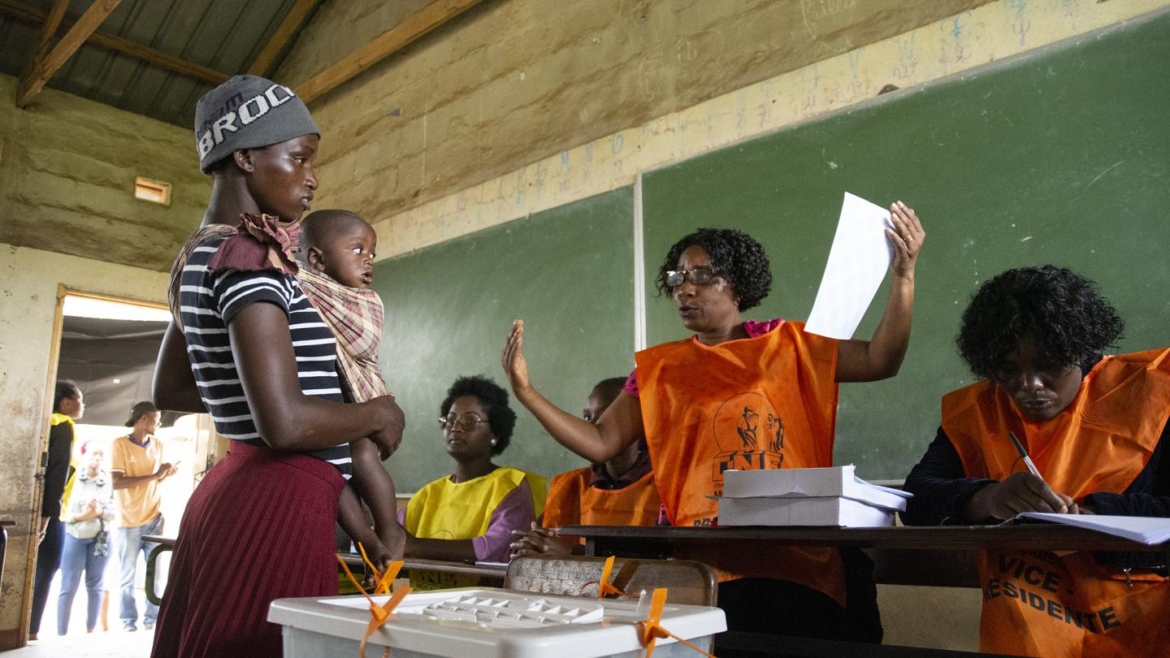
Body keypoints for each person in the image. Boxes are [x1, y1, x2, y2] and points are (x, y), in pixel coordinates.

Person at [502, 210, 924, 646]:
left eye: (701, 276)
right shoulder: (659, 368)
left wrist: (904, 277)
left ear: (737, 282)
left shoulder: (791, 344)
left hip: (796, 558)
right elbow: (600, 442)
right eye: (678, 277)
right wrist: (527, 392)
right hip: (703, 566)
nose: (684, 288)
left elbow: (881, 359)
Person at [150, 74, 405, 657]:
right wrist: (374, 413)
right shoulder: (249, 259)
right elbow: (285, 425)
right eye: (298, 158)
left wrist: (261, 395)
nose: (311, 177)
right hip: (276, 501)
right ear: (244, 156)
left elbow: (172, 386)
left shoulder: (203, 251)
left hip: (237, 490)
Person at [902, 265, 1170, 657]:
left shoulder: (1151, 395)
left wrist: (1096, 516)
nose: (1029, 386)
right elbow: (916, 498)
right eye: (1009, 371)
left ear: (1081, 350)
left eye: (1049, 366)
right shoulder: (977, 410)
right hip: (1026, 639)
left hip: (1141, 633)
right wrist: (987, 499)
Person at [297, 209, 404, 555]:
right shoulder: (299, 285)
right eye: (357, 250)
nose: (369, 260)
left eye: (373, 253)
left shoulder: (362, 302)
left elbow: (362, 341)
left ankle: (389, 529)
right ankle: (366, 538)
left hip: (356, 407)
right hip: (324, 410)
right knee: (330, 467)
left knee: (360, 455)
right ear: (316, 259)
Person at [400, 375, 546, 589]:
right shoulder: (428, 494)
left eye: (470, 422)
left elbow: (493, 549)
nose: (456, 428)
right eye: (450, 420)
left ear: (494, 433)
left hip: (483, 612)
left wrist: (412, 545)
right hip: (424, 609)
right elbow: (390, 538)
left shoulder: (510, 485)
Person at [510, 377, 660, 558]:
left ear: (638, 420)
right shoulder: (570, 484)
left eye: (606, 415)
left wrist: (573, 553)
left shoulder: (665, 486)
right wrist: (532, 545)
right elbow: (543, 544)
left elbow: (664, 562)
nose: (593, 424)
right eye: (587, 417)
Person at [110, 401, 175, 632]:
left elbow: (155, 479)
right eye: (156, 418)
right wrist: (154, 475)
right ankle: (128, 621)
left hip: (153, 517)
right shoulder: (120, 445)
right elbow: (117, 482)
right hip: (128, 520)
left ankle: (151, 620)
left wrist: (164, 474)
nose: (158, 423)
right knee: (127, 577)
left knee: (155, 574)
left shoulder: (158, 444)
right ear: (143, 419)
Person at [28, 380, 84, 641]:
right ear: (66, 403)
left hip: (46, 509)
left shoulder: (46, 422)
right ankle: (30, 629)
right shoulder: (63, 425)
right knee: (48, 566)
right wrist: (46, 518)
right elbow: (57, 473)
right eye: (79, 399)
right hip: (51, 513)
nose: (82, 405)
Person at [57, 441, 115, 635]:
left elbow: (113, 511)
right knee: (68, 585)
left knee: (95, 584)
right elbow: (64, 511)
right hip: (75, 535)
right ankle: (61, 632)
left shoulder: (107, 481)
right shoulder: (73, 479)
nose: (97, 459)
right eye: (93, 455)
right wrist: (83, 515)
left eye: (101, 455)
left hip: (99, 538)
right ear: (85, 456)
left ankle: (90, 630)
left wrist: (98, 511)